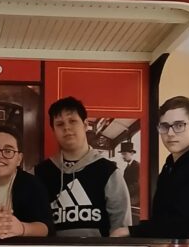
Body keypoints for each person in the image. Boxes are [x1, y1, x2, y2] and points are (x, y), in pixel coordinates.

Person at [110, 95, 189, 239]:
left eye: (179, 125)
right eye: (164, 126)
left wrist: (131, 231)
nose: (170, 133)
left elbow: (183, 227)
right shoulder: (171, 165)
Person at [35, 96, 131, 236]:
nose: (66, 128)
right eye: (60, 124)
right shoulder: (39, 173)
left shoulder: (108, 171)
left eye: (72, 121)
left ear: (85, 125)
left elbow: (121, 228)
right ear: (53, 130)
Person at [0, 125, 53, 239]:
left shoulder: (33, 185)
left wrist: (22, 228)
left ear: (19, 159)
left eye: (8, 151)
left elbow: (47, 228)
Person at [119, 140, 140, 214]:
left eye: (124, 154)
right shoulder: (127, 168)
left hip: (135, 198)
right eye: (122, 154)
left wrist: (124, 192)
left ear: (132, 153)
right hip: (129, 196)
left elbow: (136, 184)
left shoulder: (137, 166)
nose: (122, 156)